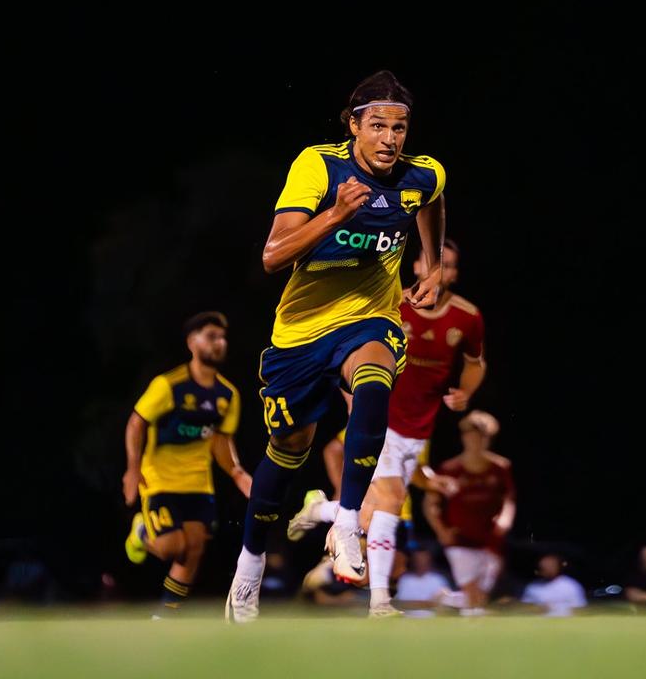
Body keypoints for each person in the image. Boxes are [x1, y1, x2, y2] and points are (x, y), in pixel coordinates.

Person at [226, 70, 446, 623]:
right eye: (378, 126)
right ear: (353, 126)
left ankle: (347, 521)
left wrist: (434, 264)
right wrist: (338, 214)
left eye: (399, 127)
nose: (390, 139)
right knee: (286, 454)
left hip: (368, 318)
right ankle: (246, 575)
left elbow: (432, 201)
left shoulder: (424, 173)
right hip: (299, 335)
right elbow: (273, 257)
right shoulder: (318, 165)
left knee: (375, 379)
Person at [289, 237, 484, 614]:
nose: (438, 271)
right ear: (415, 267)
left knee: (371, 513)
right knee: (392, 500)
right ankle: (380, 602)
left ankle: (319, 511)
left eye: (448, 265)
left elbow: (476, 363)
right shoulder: (392, 303)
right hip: (382, 420)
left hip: (418, 432)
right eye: (430, 261)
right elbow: (352, 351)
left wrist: (466, 393)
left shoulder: (467, 317)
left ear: (454, 274)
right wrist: (354, 404)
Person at [123, 312, 250, 615]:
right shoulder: (169, 385)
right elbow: (136, 423)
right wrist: (132, 469)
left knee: (193, 551)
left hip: (198, 484)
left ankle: (165, 616)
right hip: (160, 481)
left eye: (222, 338)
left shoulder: (228, 395)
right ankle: (141, 532)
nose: (219, 343)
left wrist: (237, 472)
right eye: (210, 337)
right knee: (172, 548)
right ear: (192, 343)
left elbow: (221, 440)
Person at [424, 411, 515, 616]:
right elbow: (431, 503)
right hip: (459, 538)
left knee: (481, 595)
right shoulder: (450, 469)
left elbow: (509, 500)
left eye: (482, 437)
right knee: (473, 593)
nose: (476, 442)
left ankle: (447, 598)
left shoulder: (500, 468)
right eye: (472, 436)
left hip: (489, 538)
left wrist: (505, 520)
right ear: (464, 438)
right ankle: (475, 627)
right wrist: (441, 530)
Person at [522, 554, 586, 617]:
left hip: (565, 623)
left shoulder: (571, 585)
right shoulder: (533, 587)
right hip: (540, 624)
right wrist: (539, 609)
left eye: (550, 566)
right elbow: (525, 609)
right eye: (544, 567)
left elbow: (579, 609)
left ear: (557, 567)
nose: (548, 569)